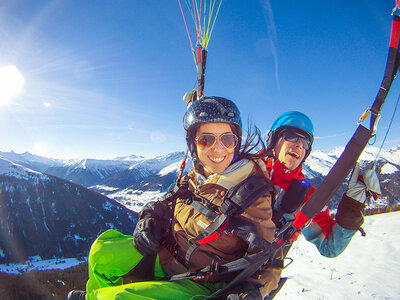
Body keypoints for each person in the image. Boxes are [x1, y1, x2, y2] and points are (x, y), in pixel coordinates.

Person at [68, 96, 283, 300]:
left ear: (236, 142)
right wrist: (150, 215)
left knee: (115, 298)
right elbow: (167, 203)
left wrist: (254, 290)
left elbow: (271, 259)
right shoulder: (196, 176)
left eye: (227, 139)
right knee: (101, 251)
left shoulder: (251, 194)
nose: (218, 148)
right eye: (206, 139)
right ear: (194, 145)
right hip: (167, 254)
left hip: (203, 280)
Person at [262, 111, 381, 261]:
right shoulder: (245, 169)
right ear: (273, 140)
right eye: (292, 136)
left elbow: (330, 246)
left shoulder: (306, 200)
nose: (299, 145)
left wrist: (353, 205)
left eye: (305, 143)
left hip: (252, 276)